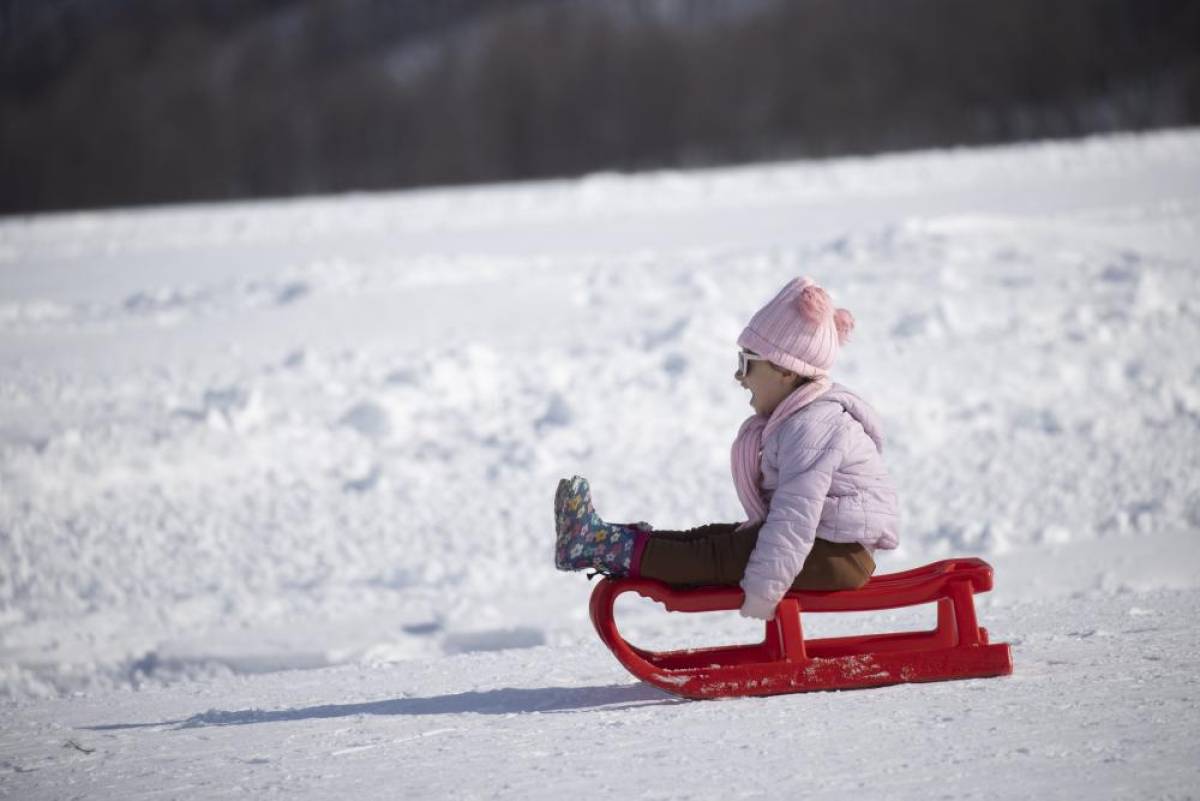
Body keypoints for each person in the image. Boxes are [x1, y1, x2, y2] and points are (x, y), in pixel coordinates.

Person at [553, 276, 900, 621]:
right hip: (828, 547)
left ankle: (603, 546)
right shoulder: (803, 419)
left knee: (717, 554)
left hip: (837, 554)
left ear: (785, 370)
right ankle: (607, 540)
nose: (739, 376)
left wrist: (764, 593)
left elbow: (794, 518)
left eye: (747, 362)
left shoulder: (812, 426)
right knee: (711, 538)